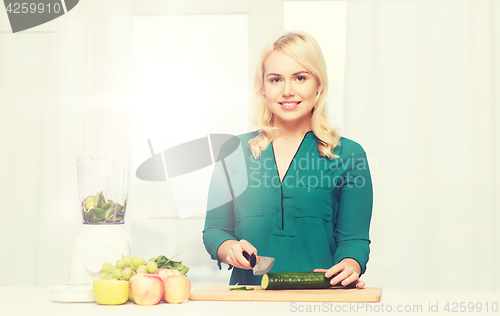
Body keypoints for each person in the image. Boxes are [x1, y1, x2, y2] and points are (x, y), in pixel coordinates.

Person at [202, 32, 373, 288]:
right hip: (247, 299)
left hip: (322, 298)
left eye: (300, 78)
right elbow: (215, 230)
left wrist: (350, 264)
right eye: (275, 79)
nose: (287, 91)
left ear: (319, 85)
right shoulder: (233, 151)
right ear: (262, 88)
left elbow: (354, 239)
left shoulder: (349, 155)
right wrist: (230, 249)